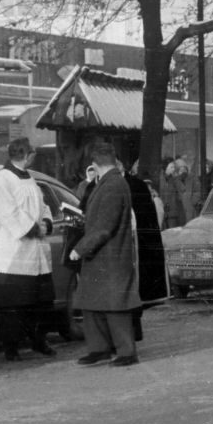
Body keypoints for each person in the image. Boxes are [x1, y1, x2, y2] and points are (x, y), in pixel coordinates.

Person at [0, 138, 56, 361]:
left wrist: (46, 223)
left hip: (35, 251)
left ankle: (39, 340)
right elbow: (7, 212)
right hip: (11, 252)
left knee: (39, 302)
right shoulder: (2, 180)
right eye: (32, 153)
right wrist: (34, 228)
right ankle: (11, 347)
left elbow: (43, 206)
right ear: (26, 155)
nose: (34, 157)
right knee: (12, 305)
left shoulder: (30, 178)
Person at [70, 141, 142, 366]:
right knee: (93, 303)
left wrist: (79, 249)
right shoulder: (111, 182)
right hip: (103, 255)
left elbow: (105, 226)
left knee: (115, 306)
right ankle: (99, 348)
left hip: (107, 255)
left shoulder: (111, 185)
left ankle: (126, 353)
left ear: (95, 164)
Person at [123, 161, 169, 344]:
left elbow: (148, 224)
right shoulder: (96, 185)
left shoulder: (137, 186)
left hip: (134, 248)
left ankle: (134, 328)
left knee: (133, 288)